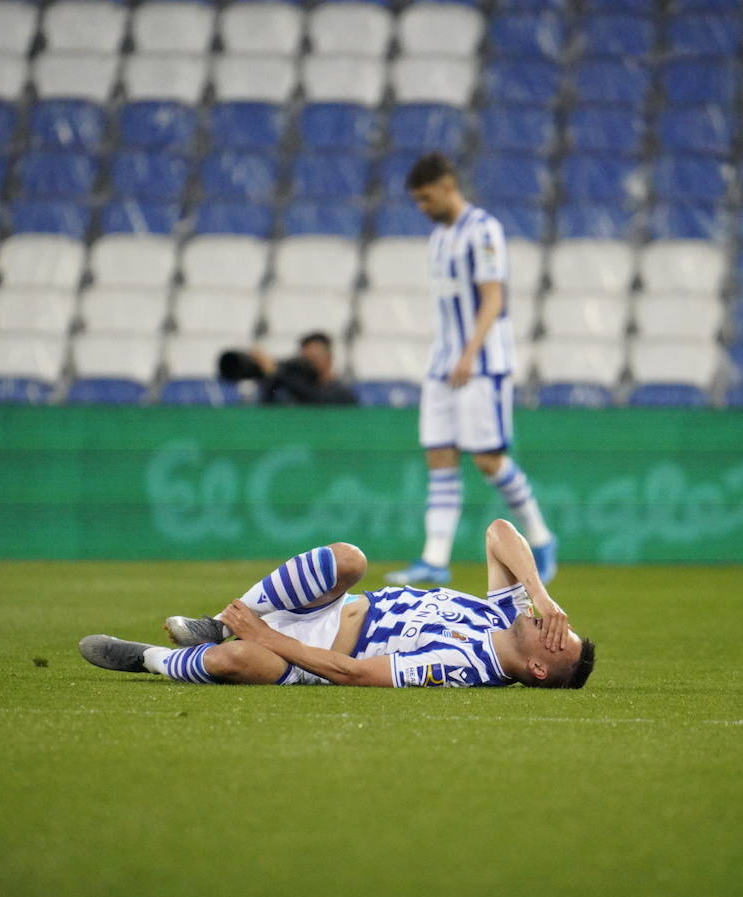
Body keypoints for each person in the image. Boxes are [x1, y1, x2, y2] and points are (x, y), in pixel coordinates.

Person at [79, 518, 596, 689]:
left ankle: (146, 658)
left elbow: (351, 673)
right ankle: (214, 624)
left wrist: (266, 637)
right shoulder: (507, 615)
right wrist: (542, 595)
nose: (549, 622)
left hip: (316, 656)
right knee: (348, 559)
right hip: (330, 605)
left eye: (554, 637)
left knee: (238, 659)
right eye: (557, 622)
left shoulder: (465, 667)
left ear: (538, 669)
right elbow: (499, 531)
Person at [385, 152, 557, 588]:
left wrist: (470, 351)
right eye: (417, 201)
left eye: (426, 198)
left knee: (488, 460)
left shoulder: (483, 230)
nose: (422, 208)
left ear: (447, 186)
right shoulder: (439, 238)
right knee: (439, 455)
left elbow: (493, 298)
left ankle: (540, 538)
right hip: (443, 364)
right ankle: (434, 559)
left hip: (481, 364)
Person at [219, 331, 357, 405]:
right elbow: (268, 410)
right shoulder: (296, 389)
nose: (307, 364)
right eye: (304, 358)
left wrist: (276, 372)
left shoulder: (341, 393)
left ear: (329, 358)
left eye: (313, 358)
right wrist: (269, 377)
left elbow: (318, 402)